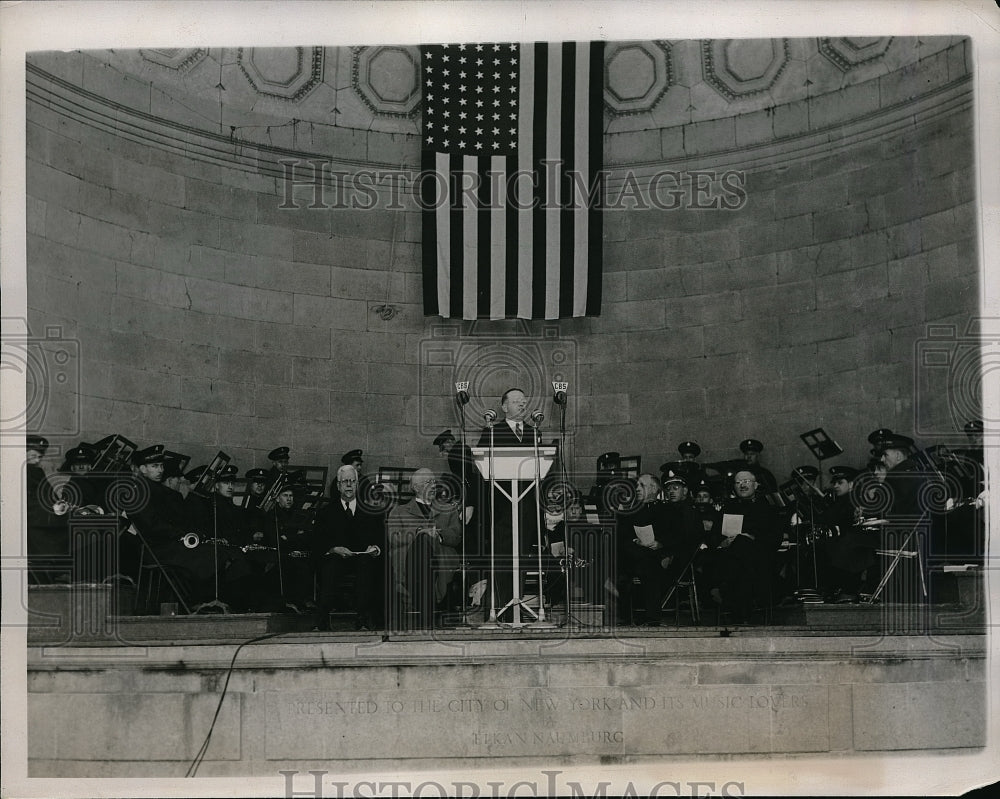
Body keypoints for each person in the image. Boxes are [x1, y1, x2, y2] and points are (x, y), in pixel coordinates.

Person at [476, 387, 542, 622]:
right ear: (504, 407)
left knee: (522, 558)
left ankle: (517, 603)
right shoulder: (493, 431)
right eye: (516, 402)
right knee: (502, 558)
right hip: (502, 506)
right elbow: (481, 465)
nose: (522, 405)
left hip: (525, 508)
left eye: (524, 402)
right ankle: (500, 607)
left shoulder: (535, 433)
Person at [314, 465, 387, 631]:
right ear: (338, 486)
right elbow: (317, 542)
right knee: (330, 565)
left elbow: (382, 541)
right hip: (336, 558)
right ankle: (322, 620)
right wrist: (333, 549)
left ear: (358, 485)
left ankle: (363, 619)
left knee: (367, 564)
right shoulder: (326, 513)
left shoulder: (372, 512)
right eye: (344, 481)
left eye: (352, 481)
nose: (348, 485)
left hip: (363, 559)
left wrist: (375, 548)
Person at [387, 468, 463, 629]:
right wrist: (417, 533)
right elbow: (393, 537)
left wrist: (439, 536)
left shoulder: (448, 509)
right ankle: (428, 610)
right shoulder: (399, 511)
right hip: (409, 559)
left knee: (426, 542)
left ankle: (425, 612)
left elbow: (456, 536)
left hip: (440, 555)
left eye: (434, 481)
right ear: (416, 487)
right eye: (428, 482)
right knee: (422, 542)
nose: (434, 485)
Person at [704, 470, 783, 622]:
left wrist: (753, 538)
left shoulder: (767, 508)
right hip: (729, 557)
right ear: (734, 487)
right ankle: (740, 609)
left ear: (756, 485)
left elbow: (775, 537)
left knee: (742, 547)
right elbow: (714, 535)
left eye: (746, 481)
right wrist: (722, 542)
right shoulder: (727, 507)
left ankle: (731, 600)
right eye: (738, 482)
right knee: (737, 557)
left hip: (758, 559)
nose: (742, 485)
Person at [614, 473, 670, 626]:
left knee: (646, 565)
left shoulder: (667, 510)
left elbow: (675, 535)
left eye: (641, 485)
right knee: (618, 563)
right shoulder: (632, 511)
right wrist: (634, 539)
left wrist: (660, 543)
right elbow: (622, 534)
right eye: (637, 485)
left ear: (653, 488)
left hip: (657, 556)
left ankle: (651, 617)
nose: (637, 488)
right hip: (635, 555)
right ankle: (625, 617)